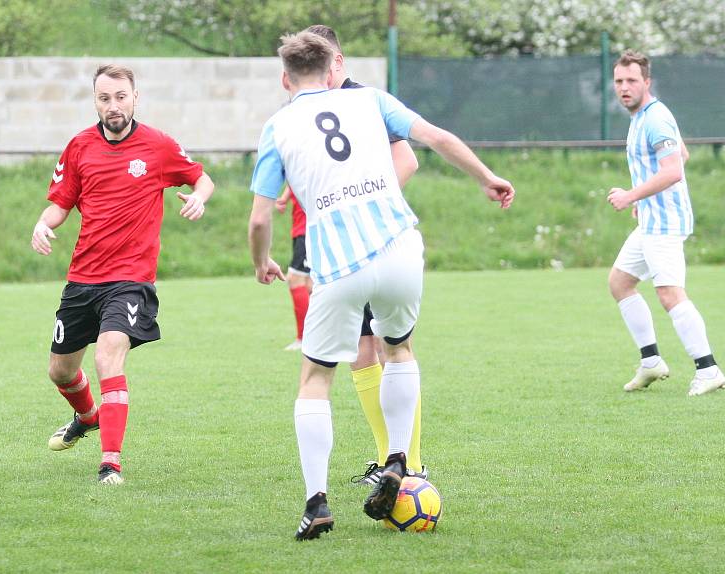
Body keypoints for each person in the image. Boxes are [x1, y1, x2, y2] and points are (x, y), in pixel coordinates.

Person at [248, 31, 514, 540]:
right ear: (332, 70)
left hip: (338, 264)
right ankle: (397, 460)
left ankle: (317, 502)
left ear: (286, 78)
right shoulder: (368, 100)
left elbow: (261, 219)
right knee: (400, 349)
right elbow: (435, 138)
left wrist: (262, 262)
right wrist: (485, 176)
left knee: (316, 379)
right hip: (398, 246)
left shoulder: (278, 126)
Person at [31, 64, 215, 484]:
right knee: (60, 371)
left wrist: (199, 198)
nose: (113, 105)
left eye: (120, 97)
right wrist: (43, 224)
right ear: (95, 100)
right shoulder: (78, 147)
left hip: (131, 279)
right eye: (104, 98)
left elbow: (202, 178)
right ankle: (87, 414)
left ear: (135, 97)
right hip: (82, 279)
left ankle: (110, 462)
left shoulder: (158, 146)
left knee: (107, 354)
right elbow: (59, 204)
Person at [305, 24, 426, 485]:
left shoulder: (363, 100)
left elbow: (408, 160)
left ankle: (411, 460)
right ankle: (387, 458)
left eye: (328, 62)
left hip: (379, 243)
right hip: (342, 250)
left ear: (340, 61)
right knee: (360, 351)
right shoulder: (313, 109)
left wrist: (366, 208)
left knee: (395, 348)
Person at [608, 50, 725, 396]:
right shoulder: (642, 117)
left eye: (631, 80)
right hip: (651, 220)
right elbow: (681, 156)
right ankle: (650, 362)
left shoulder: (655, 118)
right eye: (619, 81)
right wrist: (644, 198)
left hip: (665, 223)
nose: (624, 87)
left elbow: (673, 170)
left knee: (670, 293)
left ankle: (708, 369)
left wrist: (631, 195)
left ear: (647, 82)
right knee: (619, 282)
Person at [276, 185, 312, 351]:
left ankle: (304, 338)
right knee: (312, 284)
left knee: (295, 279)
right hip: (304, 230)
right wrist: (284, 198)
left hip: (307, 230)